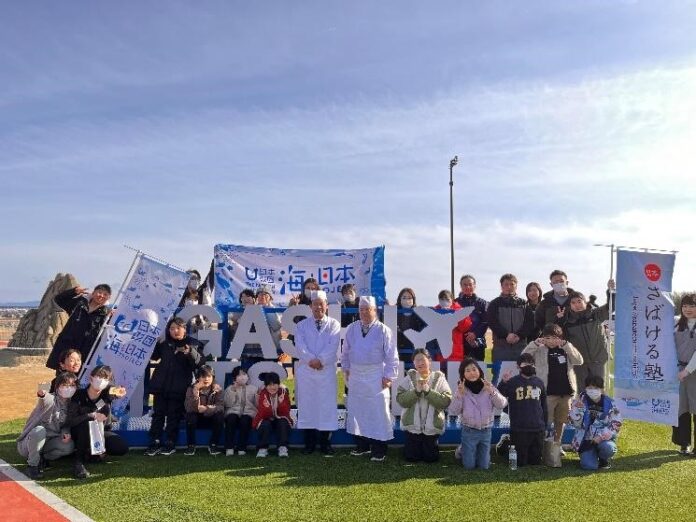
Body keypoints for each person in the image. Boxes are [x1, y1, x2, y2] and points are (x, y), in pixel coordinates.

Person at [341, 296, 399, 462]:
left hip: (376, 375)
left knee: (378, 411)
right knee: (358, 410)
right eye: (362, 309)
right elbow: (345, 351)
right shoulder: (352, 329)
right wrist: (346, 368)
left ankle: (379, 448)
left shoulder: (384, 330)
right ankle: (362, 445)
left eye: (368, 309)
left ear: (375, 310)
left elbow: (392, 357)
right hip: (356, 374)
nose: (365, 312)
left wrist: (389, 376)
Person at [145, 317, 203, 456]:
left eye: (178, 328)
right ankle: (155, 442)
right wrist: (153, 341)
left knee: (174, 415)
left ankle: (171, 443)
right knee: (157, 415)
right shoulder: (164, 343)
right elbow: (153, 357)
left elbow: (199, 363)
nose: (175, 331)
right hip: (161, 385)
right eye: (172, 328)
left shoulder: (193, 343)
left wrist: (190, 352)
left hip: (180, 386)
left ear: (184, 329)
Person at [294, 290, 341, 455]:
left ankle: (325, 444)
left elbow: (333, 345)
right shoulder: (301, 326)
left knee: (326, 407)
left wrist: (320, 360)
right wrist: (311, 361)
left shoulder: (334, 324)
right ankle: (309, 444)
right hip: (307, 371)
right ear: (310, 306)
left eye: (321, 304)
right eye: (315, 304)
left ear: (326, 305)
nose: (318, 307)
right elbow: (300, 347)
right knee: (308, 406)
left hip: (326, 371)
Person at [522, 323, 584, 445]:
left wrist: (567, 346)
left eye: (555, 338)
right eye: (548, 338)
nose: (551, 341)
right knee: (545, 420)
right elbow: (523, 358)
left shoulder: (565, 348)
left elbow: (579, 360)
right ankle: (540, 444)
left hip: (566, 393)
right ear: (543, 338)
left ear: (560, 338)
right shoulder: (539, 349)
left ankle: (556, 445)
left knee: (561, 421)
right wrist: (534, 344)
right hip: (547, 392)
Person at [68, 365, 129, 479]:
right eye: (99, 377)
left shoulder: (107, 393)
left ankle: (93, 453)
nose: (102, 381)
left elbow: (117, 390)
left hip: (100, 432)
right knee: (89, 421)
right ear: (91, 378)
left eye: (106, 378)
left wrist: (120, 391)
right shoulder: (78, 394)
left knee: (121, 447)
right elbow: (71, 420)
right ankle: (78, 462)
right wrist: (90, 415)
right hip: (80, 432)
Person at [449, 358, 507, 470]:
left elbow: (502, 404)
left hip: (486, 431)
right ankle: (461, 450)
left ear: (479, 371)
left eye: (474, 369)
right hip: (469, 431)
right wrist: (460, 395)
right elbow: (454, 410)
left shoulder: (488, 386)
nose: (471, 373)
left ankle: (468, 450)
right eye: (468, 370)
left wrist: (492, 392)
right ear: (463, 374)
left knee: (484, 466)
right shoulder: (461, 389)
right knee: (469, 466)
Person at [17, 372, 78, 479]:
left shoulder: (72, 405)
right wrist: (42, 391)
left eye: (72, 385)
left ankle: (42, 458)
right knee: (39, 430)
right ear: (57, 387)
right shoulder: (50, 400)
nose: (68, 388)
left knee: (68, 446)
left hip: (50, 442)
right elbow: (44, 397)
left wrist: (66, 433)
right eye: (64, 385)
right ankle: (32, 466)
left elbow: (66, 424)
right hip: (29, 443)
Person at [395, 349, 452, 462]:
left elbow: (446, 401)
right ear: (414, 363)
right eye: (417, 360)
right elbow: (401, 400)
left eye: (422, 359)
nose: (420, 362)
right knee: (411, 458)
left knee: (431, 459)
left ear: (429, 361)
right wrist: (416, 391)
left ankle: (429, 446)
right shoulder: (409, 378)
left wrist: (428, 392)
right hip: (412, 428)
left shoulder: (439, 378)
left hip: (431, 428)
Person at [562, 281, 615, 393]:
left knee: (599, 391)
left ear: (585, 302)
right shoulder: (567, 322)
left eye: (579, 301)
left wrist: (610, 291)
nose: (577, 304)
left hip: (598, 361)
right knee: (583, 392)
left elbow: (611, 306)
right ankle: (584, 411)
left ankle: (602, 410)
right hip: (580, 363)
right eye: (573, 303)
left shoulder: (595, 314)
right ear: (570, 305)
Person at [498, 353, 548, 467]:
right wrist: (503, 382)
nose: (528, 366)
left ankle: (511, 444)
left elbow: (544, 405)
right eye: (525, 363)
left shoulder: (539, 382)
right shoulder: (513, 382)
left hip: (537, 428)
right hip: (519, 428)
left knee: (535, 461)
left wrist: (544, 424)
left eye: (531, 363)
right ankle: (505, 444)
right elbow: (500, 395)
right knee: (519, 463)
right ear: (518, 366)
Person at [46, 284, 112, 370]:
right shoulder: (79, 304)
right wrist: (73, 292)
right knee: (62, 375)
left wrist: (113, 317)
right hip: (67, 347)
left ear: (109, 298)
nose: (101, 296)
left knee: (78, 378)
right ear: (93, 293)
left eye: (105, 294)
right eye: (99, 292)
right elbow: (59, 300)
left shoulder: (106, 314)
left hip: (85, 352)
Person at [569, 375, 622, 470]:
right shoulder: (579, 401)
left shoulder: (610, 404)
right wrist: (578, 409)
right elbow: (575, 424)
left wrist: (601, 437)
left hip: (603, 439)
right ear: (585, 389)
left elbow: (616, 424)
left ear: (602, 389)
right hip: (585, 440)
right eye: (590, 388)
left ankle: (603, 459)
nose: (592, 390)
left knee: (608, 448)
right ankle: (587, 455)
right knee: (589, 466)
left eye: (596, 388)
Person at [487, 274, 535, 372]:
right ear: (501, 286)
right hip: (501, 348)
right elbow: (492, 322)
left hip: (520, 347)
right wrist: (506, 335)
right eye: (506, 284)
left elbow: (529, 323)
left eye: (512, 284)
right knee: (500, 377)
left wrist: (519, 335)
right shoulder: (494, 304)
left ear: (516, 286)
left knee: (522, 376)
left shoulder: (524, 304)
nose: (509, 287)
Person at [673, 293, 696, 455]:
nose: (687, 309)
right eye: (685, 306)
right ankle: (684, 443)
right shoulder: (676, 323)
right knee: (681, 409)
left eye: (692, 306)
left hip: (692, 373)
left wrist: (687, 370)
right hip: (678, 372)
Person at [184, 365, 224, 455]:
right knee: (190, 416)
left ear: (213, 378)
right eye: (203, 376)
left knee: (220, 416)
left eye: (209, 376)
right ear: (198, 378)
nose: (206, 379)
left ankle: (213, 444)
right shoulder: (191, 389)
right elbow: (188, 408)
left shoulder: (218, 389)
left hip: (210, 418)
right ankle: (191, 445)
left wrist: (207, 408)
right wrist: (196, 393)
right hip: (196, 419)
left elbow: (221, 406)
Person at [253, 372, 293, 458]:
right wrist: (271, 412)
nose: (272, 387)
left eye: (275, 384)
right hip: (266, 418)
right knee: (265, 424)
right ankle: (263, 448)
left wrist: (280, 403)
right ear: (266, 386)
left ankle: (283, 447)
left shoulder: (283, 392)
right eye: (269, 385)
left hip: (280, 417)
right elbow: (263, 412)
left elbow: (286, 411)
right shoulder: (263, 393)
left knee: (283, 422)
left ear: (279, 384)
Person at [428, 290, 473, 362]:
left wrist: (454, 315)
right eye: (442, 299)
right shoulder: (435, 310)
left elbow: (465, 327)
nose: (444, 302)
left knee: (454, 371)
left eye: (447, 299)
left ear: (452, 300)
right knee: (440, 372)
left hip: (455, 350)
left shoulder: (459, 310)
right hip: (439, 350)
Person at [223, 367, 258, 456]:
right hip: (233, 411)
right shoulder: (230, 388)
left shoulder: (253, 389)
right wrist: (233, 391)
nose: (242, 377)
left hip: (248, 413)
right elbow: (228, 404)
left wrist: (258, 395)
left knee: (245, 421)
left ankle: (242, 447)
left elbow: (257, 405)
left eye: (244, 374)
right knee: (231, 419)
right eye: (239, 375)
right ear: (234, 378)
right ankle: (229, 447)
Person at [454, 274, 489, 361]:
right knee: (460, 371)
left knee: (478, 370)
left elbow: (486, 321)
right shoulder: (455, 303)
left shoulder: (483, 303)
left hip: (478, 343)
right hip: (459, 343)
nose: (468, 287)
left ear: (474, 286)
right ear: (461, 286)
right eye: (465, 285)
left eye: (470, 284)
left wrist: (475, 334)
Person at [229, 289, 264, 370]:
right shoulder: (237, 312)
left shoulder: (260, 310)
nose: (245, 298)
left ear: (254, 299)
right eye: (242, 297)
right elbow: (236, 323)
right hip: (244, 352)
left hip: (259, 352)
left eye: (248, 296)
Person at [395, 287, 426, 368]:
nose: (407, 300)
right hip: (399, 350)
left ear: (413, 299)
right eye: (404, 297)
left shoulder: (419, 315)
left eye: (409, 297)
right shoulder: (394, 314)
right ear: (399, 299)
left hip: (414, 350)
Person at [256, 284, 283, 355]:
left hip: (272, 347)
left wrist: (267, 310)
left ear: (270, 298)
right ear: (257, 297)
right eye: (260, 294)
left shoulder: (274, 309)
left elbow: (276, 326)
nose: (262, 296)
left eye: (265, 294)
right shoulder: (253, 309)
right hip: (256, 348)